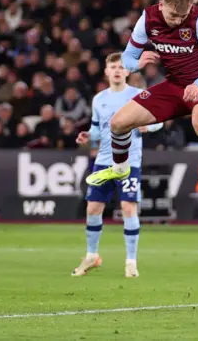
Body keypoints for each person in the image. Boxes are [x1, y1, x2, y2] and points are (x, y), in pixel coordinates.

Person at [84, 0, 198, 209]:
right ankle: (120, 168)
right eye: (173, 15)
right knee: (118, 123)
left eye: (182, 16)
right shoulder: (148, 19)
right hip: (175, 86)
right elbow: (128, 59)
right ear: (161, 4)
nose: (178, 20)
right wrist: (137, 62)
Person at [72, 52, 163, 278]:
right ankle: (92, 255)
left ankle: (131, 261)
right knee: (93, 208)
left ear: (128, 71)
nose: (116, 70)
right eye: (112, 66)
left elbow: (159, 120)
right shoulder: (99, 99)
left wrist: (147, 127)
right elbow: (96, 131)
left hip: (129, 162)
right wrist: (88, 136)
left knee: (128, 208)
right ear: (106, 71)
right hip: (103, 162)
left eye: (121, 67)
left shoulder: (139, 95)